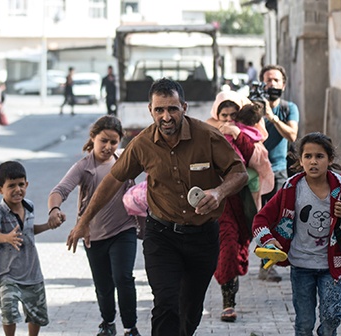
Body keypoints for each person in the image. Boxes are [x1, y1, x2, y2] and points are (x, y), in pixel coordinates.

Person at [66, 78, 248, 336]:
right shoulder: (142, 144)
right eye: (159, 110)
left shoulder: (207, 136)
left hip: (203, 237)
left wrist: (219, 192)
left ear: (184, 107)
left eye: (172, 109)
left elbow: (238, 173)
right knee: (165, 304)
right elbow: (111, 181)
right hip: (162, 237)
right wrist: (84, 221)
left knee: (190, 310)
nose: (166, 116)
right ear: (150, 110)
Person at [253, 132, 341, 336]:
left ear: (330, 159)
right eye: (308, 156)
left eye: (319, 156)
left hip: (331, 266)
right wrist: (269, 241)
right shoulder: (291, 188)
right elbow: (260, 219)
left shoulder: (340, 186)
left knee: (331, 318)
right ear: (300, 160)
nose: (313, 161)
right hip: (301, 265)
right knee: (304, 323)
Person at [47, 116, 142, 336]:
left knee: (123, 277)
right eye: (104, 141)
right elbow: (58, 191)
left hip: (123, 229)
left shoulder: (124, 161)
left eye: (114, 142)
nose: (108, 147)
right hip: (94, 235)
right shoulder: (83, 166)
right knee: (103, 285)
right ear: (93, 138)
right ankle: (107, 323)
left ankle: (130, 327)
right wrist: (54, 209)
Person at [205, 90, 270, 323]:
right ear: (217, 114)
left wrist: (237, 134)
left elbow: (257, 158)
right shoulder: (207, 131)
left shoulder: (249, 132)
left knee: (239, 244)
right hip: (218, 201)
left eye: (234, 115)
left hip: (241, 200)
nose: (228, 120)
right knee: (228, 247)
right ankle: (228, 303)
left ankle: (230, 289)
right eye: (224, 115)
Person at [0, 161, 62, 336]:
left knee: (36, 314)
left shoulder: (29, 205)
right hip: (8, 273)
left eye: (21, 184)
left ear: (26, 184)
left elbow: (28, 230)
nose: (17, 189)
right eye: (11, 186)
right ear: (0, 189)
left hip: (32, 272)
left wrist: (48, 225)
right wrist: (7, 238)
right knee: (9, 311)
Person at [258, 64, 300, 281]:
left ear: (283, 84)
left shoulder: (288, 108)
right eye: (267, 80)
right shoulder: (253, 107)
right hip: (256, 172)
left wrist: (271, 117)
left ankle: (268, 263)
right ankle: (262, 262)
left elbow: (292, 135)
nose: (271, 84)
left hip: (279, 171)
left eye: (275, 80)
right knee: (258, 219)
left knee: (276, 220)